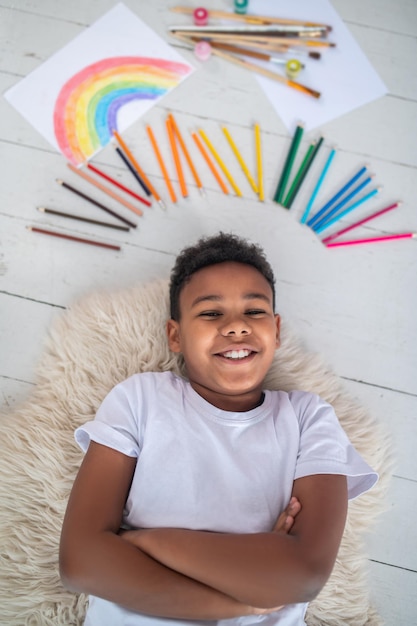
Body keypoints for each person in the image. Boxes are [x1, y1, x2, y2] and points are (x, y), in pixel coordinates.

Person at [59, 232, 378, 625]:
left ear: (276, 331)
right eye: (211, 313)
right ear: (175, 335)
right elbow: (81, 563)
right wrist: (245, 599)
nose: (237, 327)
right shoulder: (139, 400)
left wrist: (140, 540)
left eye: (255, 311)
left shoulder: (308, 418)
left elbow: (303, 575)